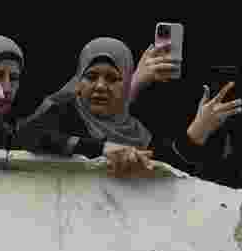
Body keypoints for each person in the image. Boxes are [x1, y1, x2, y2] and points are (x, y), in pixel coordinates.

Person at [20, 37, 180, 178]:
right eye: (91, 77)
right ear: (78, 81)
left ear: (126, 85)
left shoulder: (138, 132)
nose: (100, 86)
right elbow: (28, 134)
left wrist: (202, 124)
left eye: (112, 78)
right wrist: (104, 149)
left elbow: (174, 166)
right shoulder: (64, 112)